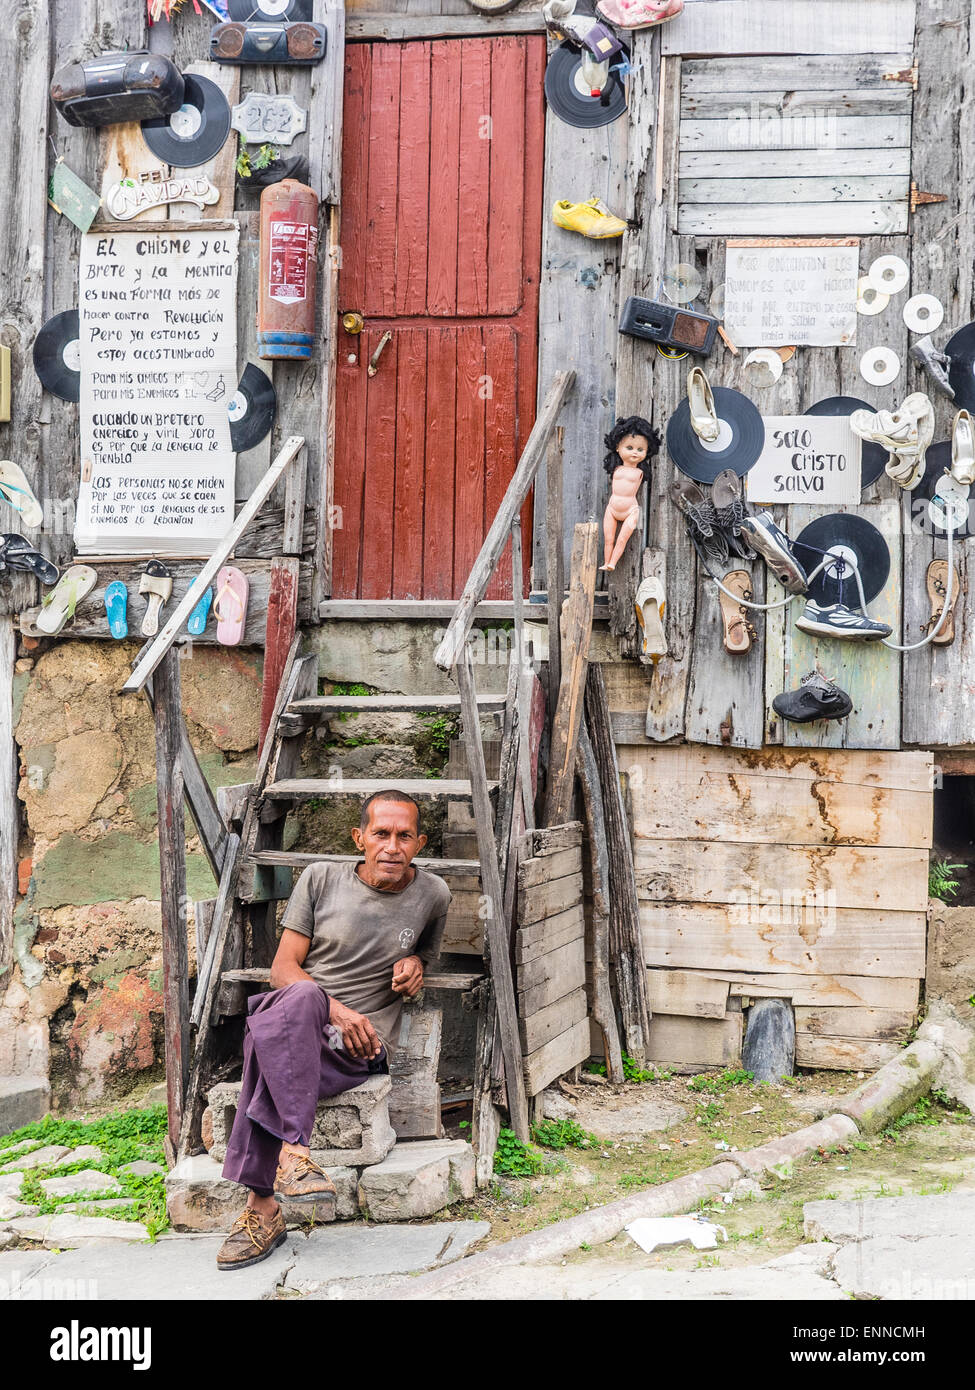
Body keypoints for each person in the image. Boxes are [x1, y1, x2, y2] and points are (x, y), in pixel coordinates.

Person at [216, 788, 451, 1271]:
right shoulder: (321, 879)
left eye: (404, 836)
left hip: (355, 1046)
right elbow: (283, 969)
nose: (391, 846)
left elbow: (424, 954)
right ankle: (296, 1155)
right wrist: (333, 1007)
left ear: (420, 842)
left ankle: (262, 1210)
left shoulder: (433, 895)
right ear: (358, 837)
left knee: (266, 1049)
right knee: (299, 997)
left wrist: (415, 964)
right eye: (380, 834)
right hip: (301, 1019)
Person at [600, 415, 658, 571]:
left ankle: (613, 562)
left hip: (630, 510)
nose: (635, 453)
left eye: (640, 449)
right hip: (612, 508)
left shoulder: (639, 472)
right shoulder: (616, 468)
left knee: (622, 539)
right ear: (618, 447)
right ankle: (607, 562)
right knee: (609, 538)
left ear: (647, 451)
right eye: (629, 448)